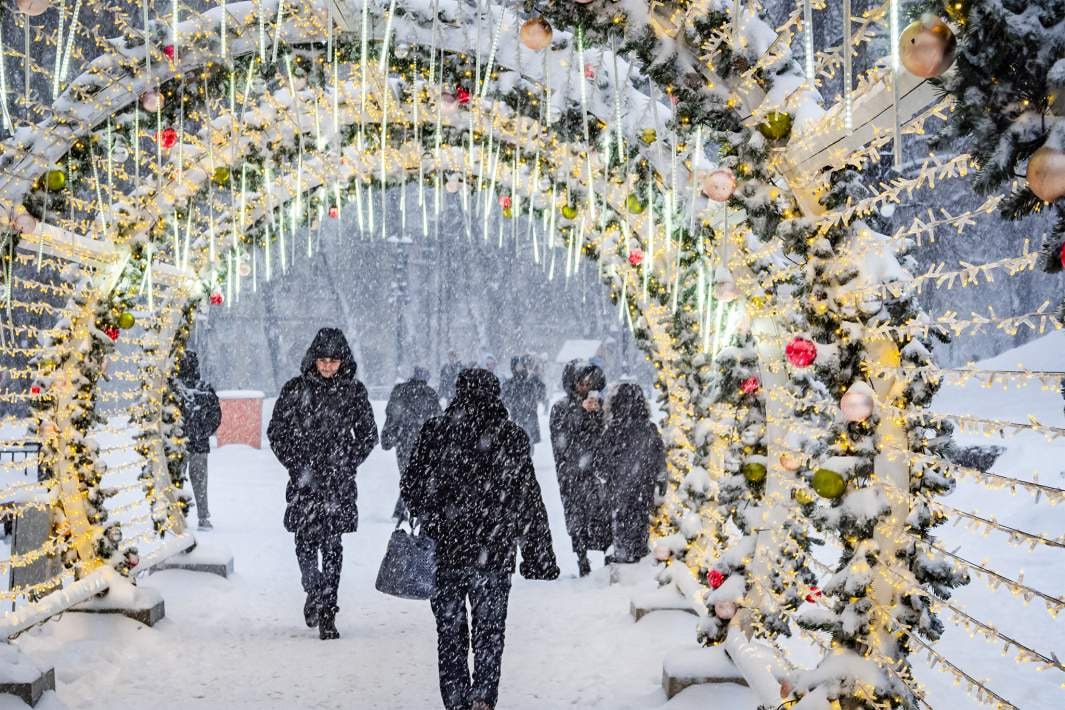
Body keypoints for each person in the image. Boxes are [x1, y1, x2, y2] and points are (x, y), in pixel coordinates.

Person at [402, 368, 559, 710]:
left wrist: (436, 512)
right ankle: (484, 697)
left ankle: (456, 700)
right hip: (494, 552)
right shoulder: (511, 436)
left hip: (446, 551)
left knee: (450, 634)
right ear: (496, 395)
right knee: (490, 633)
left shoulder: (436, 432)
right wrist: (538, 555)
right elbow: (528, 499)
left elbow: (411, 487)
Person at [267, 327, 378, 640]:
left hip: (336, 482)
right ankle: (313, 587)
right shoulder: (295, 390)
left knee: (332, 545)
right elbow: (277, 432)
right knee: (304, 540)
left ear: (343, 361)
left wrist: (347, 461)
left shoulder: (353, 392)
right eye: (323, 360)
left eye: (334, 361)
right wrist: (295, 463)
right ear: (313, 359)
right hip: (305, 480)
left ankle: (328, 610)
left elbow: (369, 434)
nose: (328, 366)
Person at [549, 361, 611, 577]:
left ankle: (608, 556)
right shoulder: (561, 407)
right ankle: (582, 560)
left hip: (598, 471)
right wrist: (580, 412)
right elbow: (561, 440)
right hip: (573, 473)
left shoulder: (602, 404)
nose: (586, 387)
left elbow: (609, 434)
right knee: (578, 518)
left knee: (604, 515)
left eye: (590, 383)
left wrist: (598, 414)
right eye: (582, 383)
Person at [595, 384, 665, 563]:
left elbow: (600, 467)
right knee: (642, 532)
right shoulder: (649, 429)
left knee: (622, 536)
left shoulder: (612, 432)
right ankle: (639, 558)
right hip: (644, 493)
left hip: (619, 496)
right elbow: (660, 462)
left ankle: (625, 561)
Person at [381, 366, 441, 520]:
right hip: (424, 441)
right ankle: (408, 509)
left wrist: (388, 436)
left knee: (407, 475)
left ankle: (402, 510)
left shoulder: (401, 391)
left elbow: (392, 415)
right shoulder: (430, 394)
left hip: (404, 440)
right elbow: (438, 419)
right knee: (418, 475)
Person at [174, 351, 222, 531]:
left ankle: (177, 517)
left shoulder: (175, 389)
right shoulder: (204, 388)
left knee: (176, 483)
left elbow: (215, 416)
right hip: (197, 444)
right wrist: (203, 433)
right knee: (199, 483)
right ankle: (202, 517)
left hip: (179, 444)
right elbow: (216, 416)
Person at [501, 356, 546, 446]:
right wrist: (514, 404)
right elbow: (505, 400)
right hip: (517, 418)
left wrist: (537, 379)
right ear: (513, 367)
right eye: (518, 365)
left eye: (522, 365)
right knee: (519, 444)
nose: (521, 367)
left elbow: (541, 395)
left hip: (531, 417)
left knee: (530, 444)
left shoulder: (531, 380)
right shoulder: (510, 383)